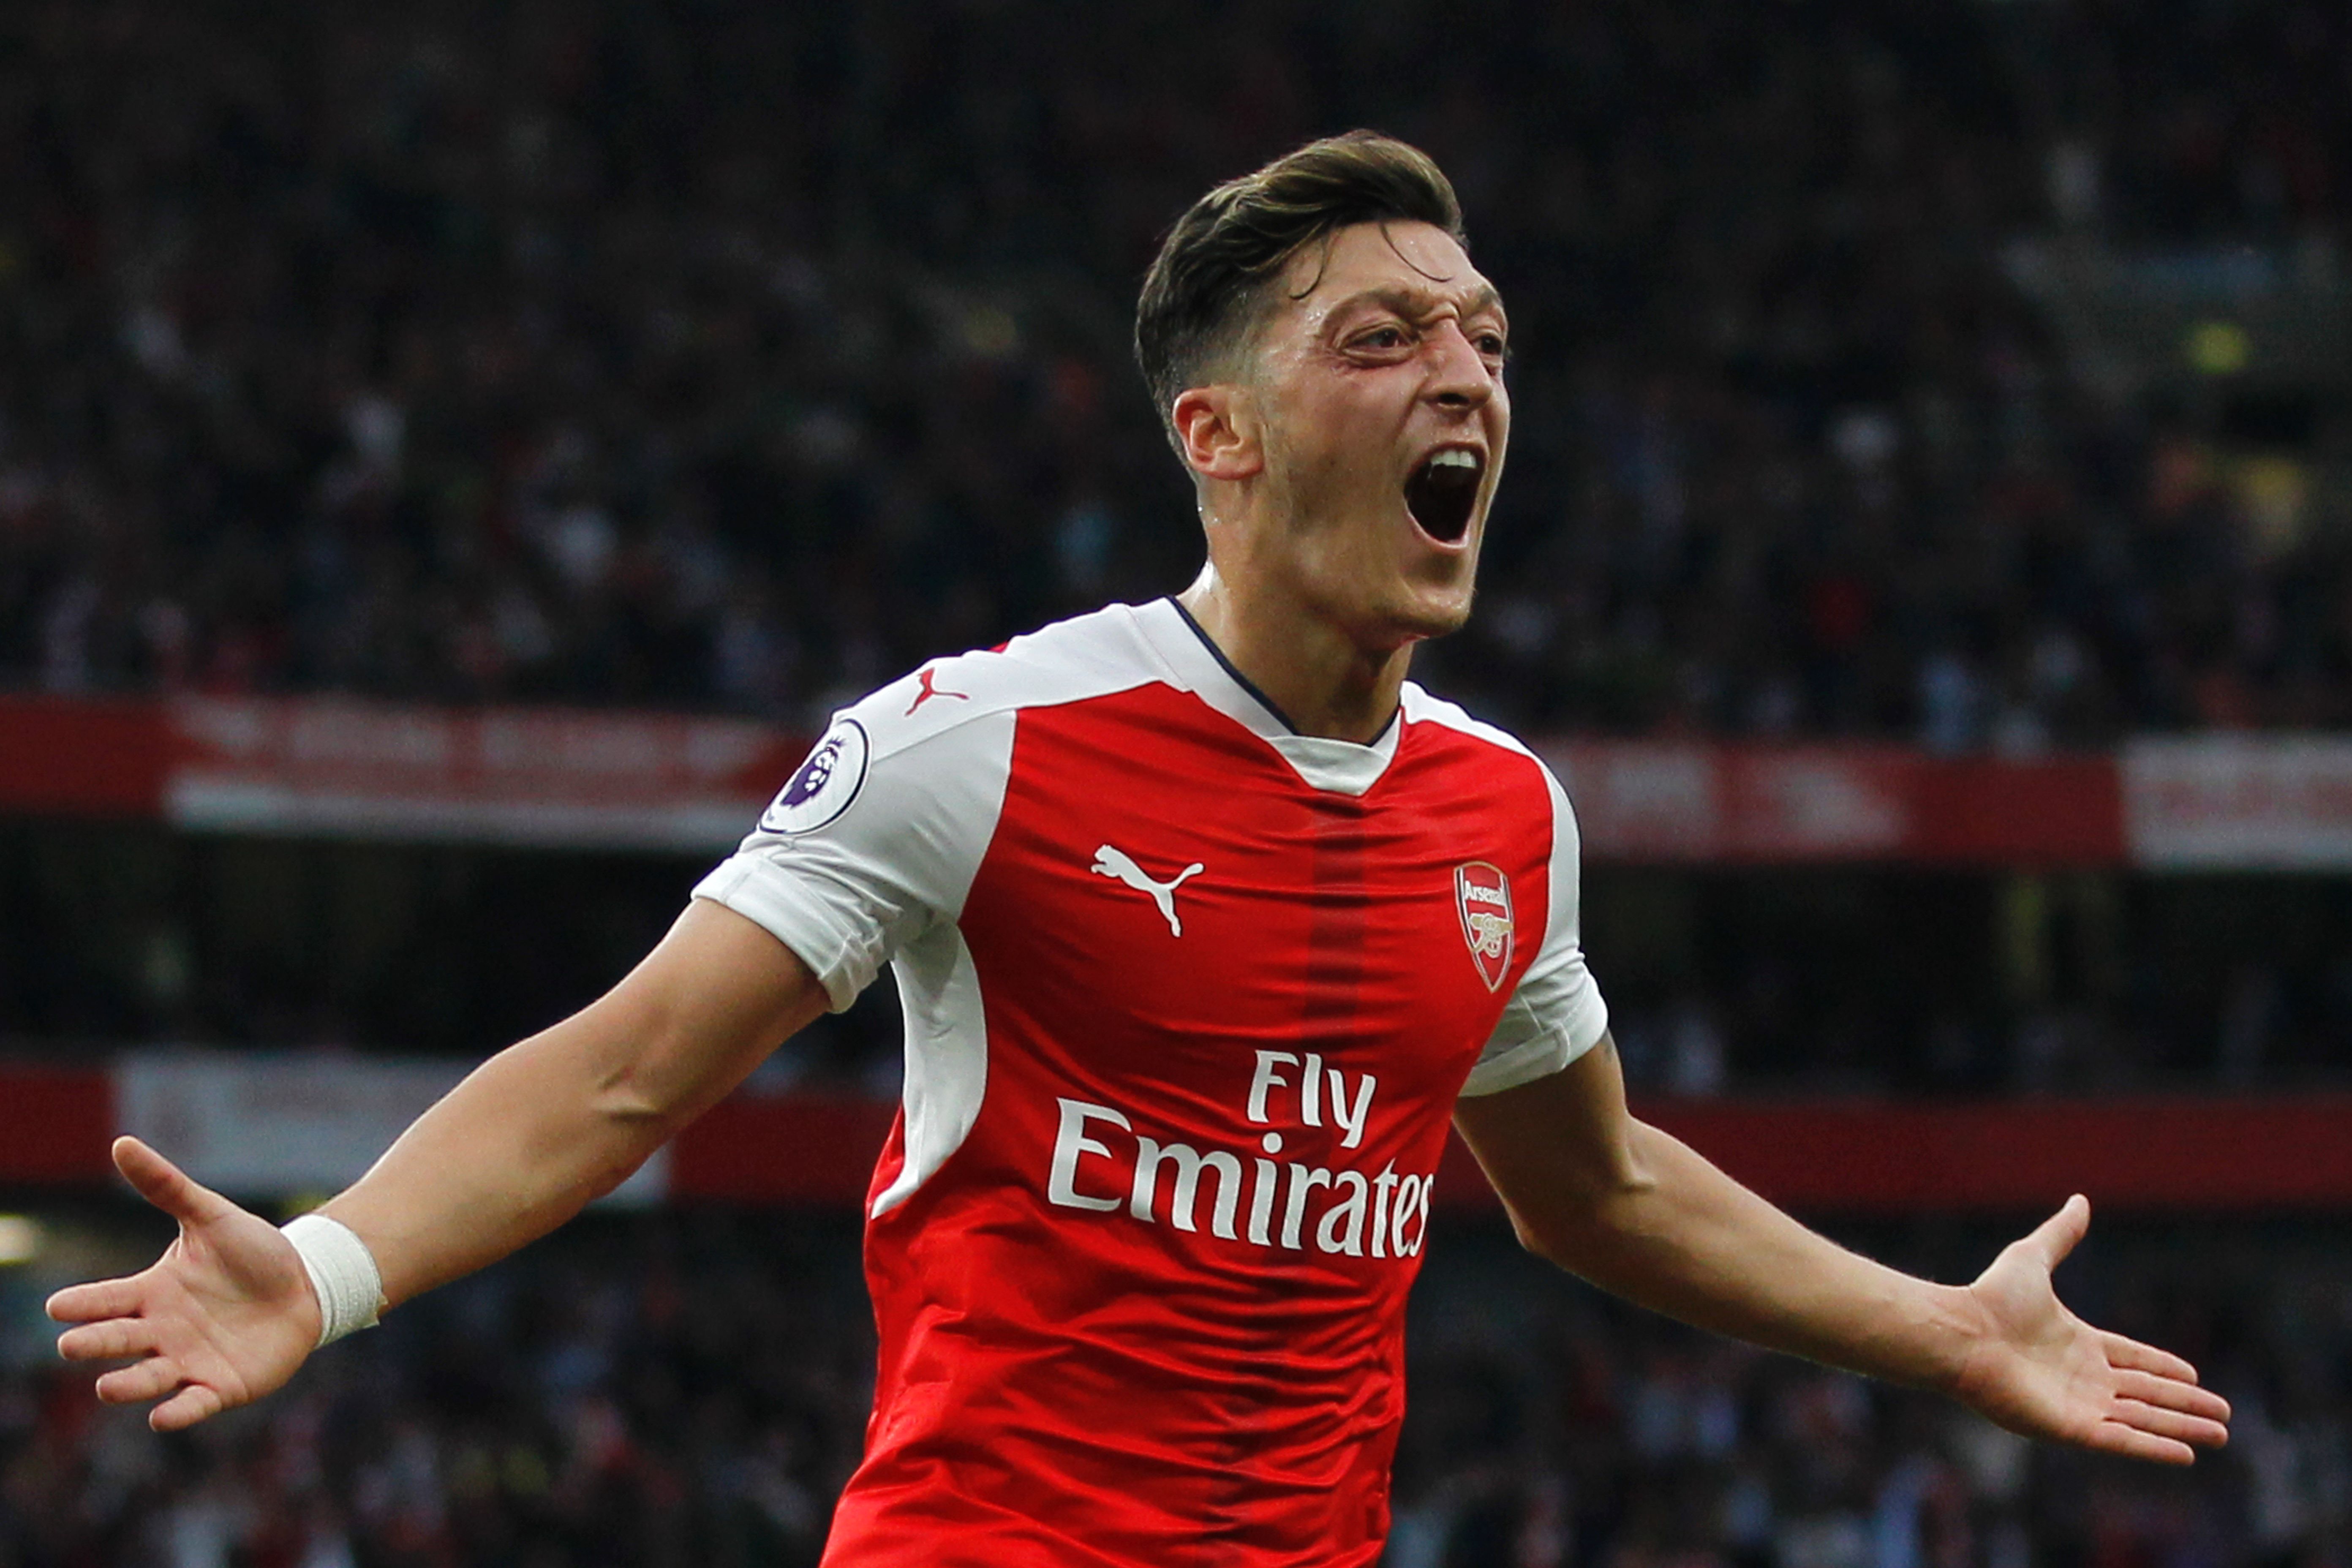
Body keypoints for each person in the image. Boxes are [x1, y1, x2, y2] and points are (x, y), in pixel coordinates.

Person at [49, 132, 2228, 1565]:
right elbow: (627, 1071)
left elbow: (1603, 1192)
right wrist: (326, 1273)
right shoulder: (976, 743)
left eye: (1483, 333)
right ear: (1221, 435)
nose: (1463, 369)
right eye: (1380, 338)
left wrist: (1946, 1333)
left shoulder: (1507, 813)